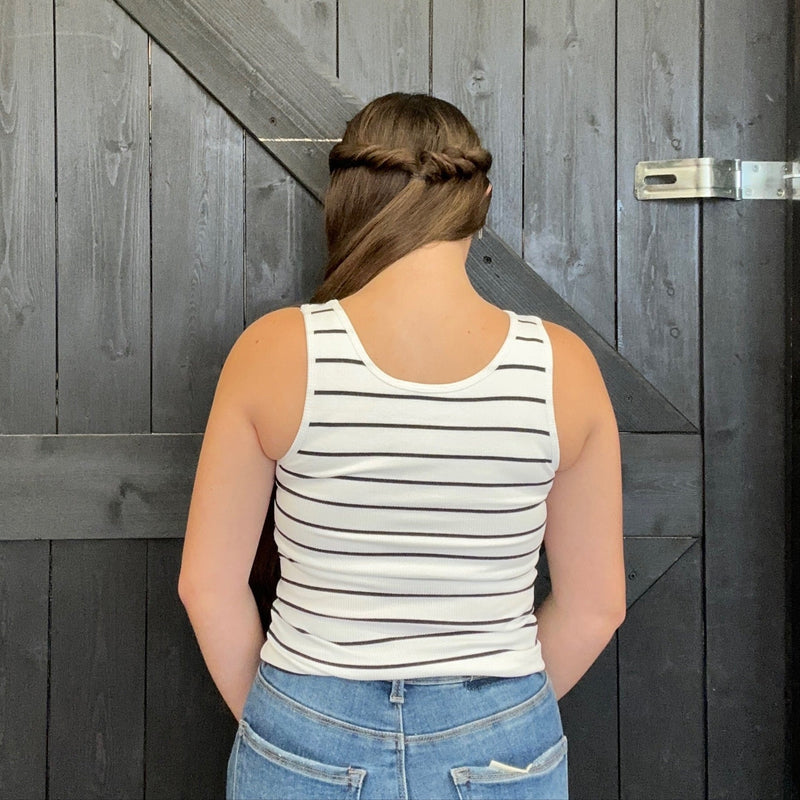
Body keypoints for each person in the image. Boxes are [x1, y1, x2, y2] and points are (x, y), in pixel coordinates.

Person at [178, 92, 625, 800]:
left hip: (308, 716)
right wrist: (494, 719)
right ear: (481, 199)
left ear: (347, 198)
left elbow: (206, 585)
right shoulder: (561, 367)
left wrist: (284, 727)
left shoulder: (276, 351)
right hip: (500, 727)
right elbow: (596, 606)